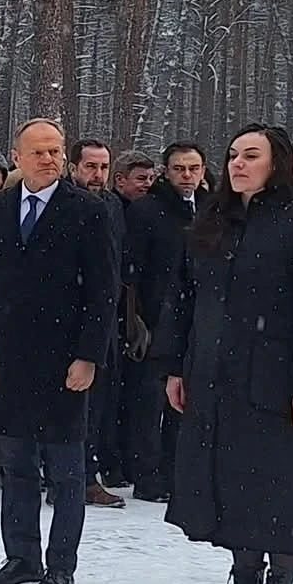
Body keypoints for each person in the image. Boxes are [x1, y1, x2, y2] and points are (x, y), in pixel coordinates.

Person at [157, 124, 293, 584]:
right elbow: (184, 301)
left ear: (275, 164)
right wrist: (176, 365)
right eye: (233, 154)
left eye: (251, 155)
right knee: (233, 491)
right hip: (217, 381)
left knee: (280, 491)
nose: (237, 164)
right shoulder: (213, 224)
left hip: (279, 387)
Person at [0, 118, 117, 584]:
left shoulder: (87, 211)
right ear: (18, 157)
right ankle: (22, 556)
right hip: (10, 358)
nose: (50, 159)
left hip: (64, 361)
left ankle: (61, 566)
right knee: (14, 465)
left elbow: (102, 292)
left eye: (55, 151)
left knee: (66, 471)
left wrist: (88, 356)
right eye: (39, 152)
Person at [124, 140, 210, 501]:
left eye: (193, 168)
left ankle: (180, 473)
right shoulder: (147, 211)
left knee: (187, 402)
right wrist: (138, 318)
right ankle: (147, 476)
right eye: (179, 169)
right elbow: (133, 269)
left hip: (201, 319)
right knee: (150, 402)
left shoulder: (212, 209)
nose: (187, 176)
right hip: (157, 319)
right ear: (166, 172)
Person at [70, 137, 127, 508]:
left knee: (100, 402)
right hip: (68, 316)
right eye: (90, 166)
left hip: (106, 316)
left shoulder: (112, 205)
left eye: (104, 167)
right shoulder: (66, 204)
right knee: (75, 405)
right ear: (73, 167)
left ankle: (88, 473)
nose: (97, 174)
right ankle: (75, 478)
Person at [107, 150, 158, 486]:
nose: (147, 185)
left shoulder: (152, 212)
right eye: (141, 179)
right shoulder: (112, 211)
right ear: (120, 180)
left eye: (152, 179)